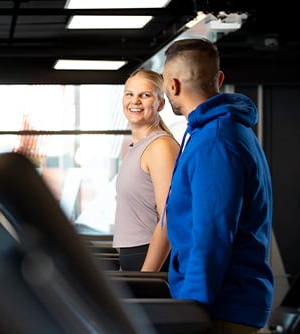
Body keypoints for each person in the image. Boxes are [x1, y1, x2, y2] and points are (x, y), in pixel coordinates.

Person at [161, 38, 274, 333]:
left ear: (172, 85)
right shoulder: (221, 132)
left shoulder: (215, 141)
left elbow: (212, 236)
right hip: (222, 302)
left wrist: (191, 311)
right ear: (219, 79)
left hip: (220, 306)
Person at [112, 69, 180, 272]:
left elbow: (169, 218)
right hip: (135, 258)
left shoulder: (161, 147)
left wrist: (147, 277)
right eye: (129, 94)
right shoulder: (138, 147)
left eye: (145, 95)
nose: (135, 101)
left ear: (160, 103)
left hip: (151, 261)